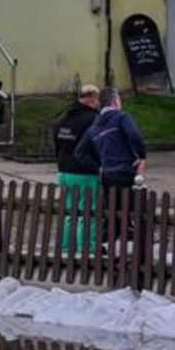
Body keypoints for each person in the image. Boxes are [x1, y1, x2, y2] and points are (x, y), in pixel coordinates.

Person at [53, 84, 101, 252]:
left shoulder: (63, 119)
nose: (98, 103)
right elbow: (97, 145)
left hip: (63, 171)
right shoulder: (93, 119)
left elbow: (57, 146)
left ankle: (66, 248)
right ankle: (88, 249)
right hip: (85, 172)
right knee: (88, 212)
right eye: (97, 99)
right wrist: (98, 165)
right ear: (92, 98)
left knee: (69, 212)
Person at [75, 86, 146, 193]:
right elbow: (134, 135)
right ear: (115, 101)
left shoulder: (93, 128)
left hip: (106, 174)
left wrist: (97, 168)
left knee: (111, 207)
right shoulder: (122, 117)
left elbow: (79, 153)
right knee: (129, 207)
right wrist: (141, 156)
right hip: (125, 172)